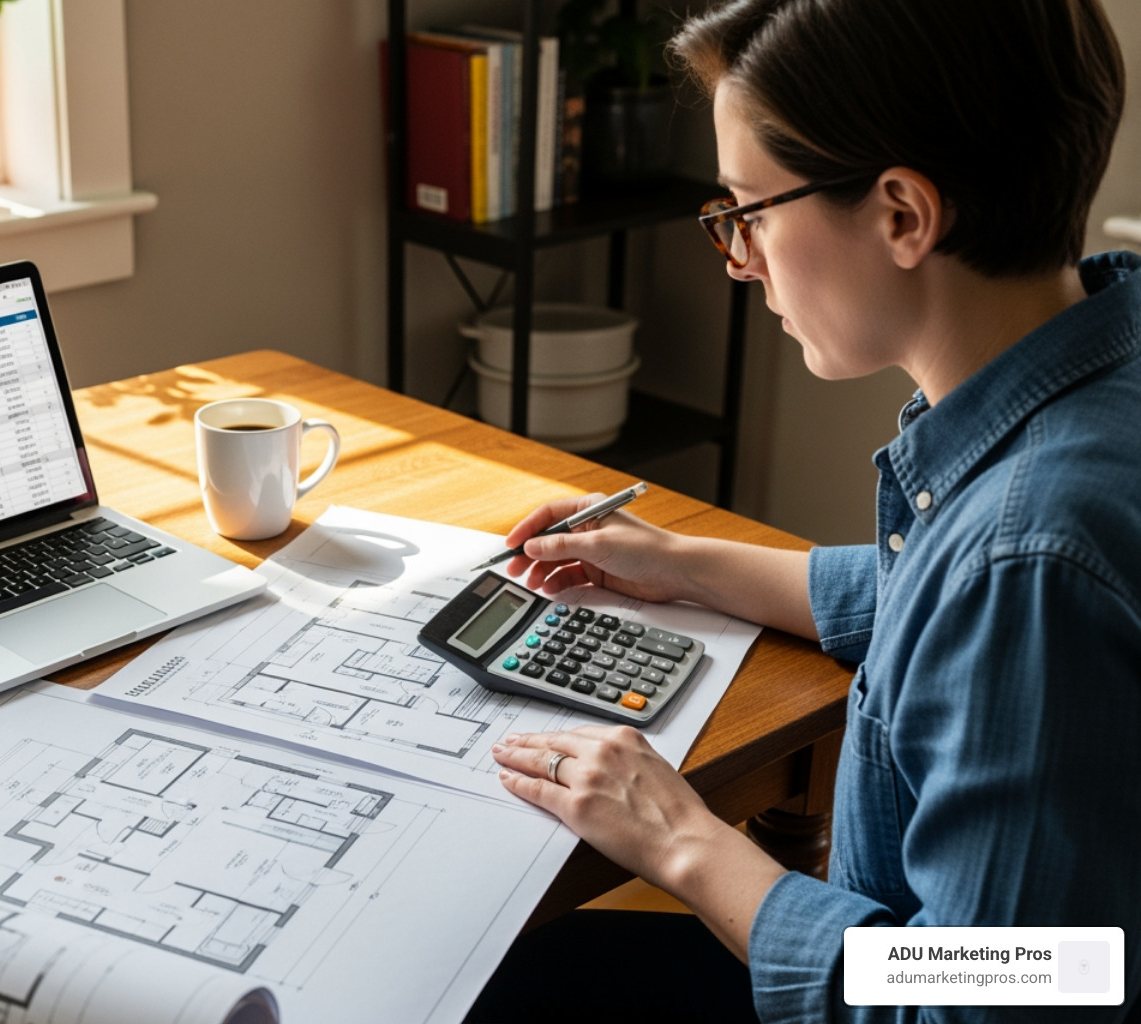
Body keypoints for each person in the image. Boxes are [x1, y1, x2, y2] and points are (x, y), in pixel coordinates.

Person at [465, 0, 1141, 1021]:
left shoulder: (1026, 560)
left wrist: (683, 840)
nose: (738, 259)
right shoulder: (1099, 371)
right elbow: (943, 601)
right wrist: (689, 565)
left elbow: (996, 995)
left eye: (750, 211)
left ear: (902, 215)